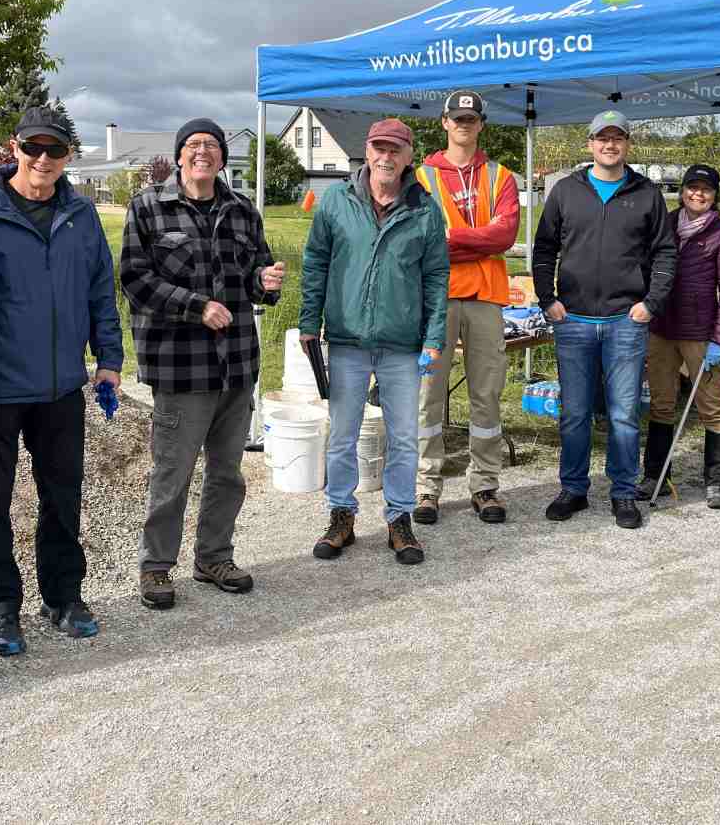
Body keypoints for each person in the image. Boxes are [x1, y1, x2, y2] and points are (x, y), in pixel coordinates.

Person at [0, 106, 123, 655]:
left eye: (55, 150)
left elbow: (102, 287)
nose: (43, 159)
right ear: (14, 148)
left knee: (62, 496)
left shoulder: (80, 215)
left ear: (68, 156)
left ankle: (63, 596)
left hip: (60, 386)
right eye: (33, 147)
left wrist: (109, 357)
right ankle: (2, 608)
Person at [121, 119, 284, 610]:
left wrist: (266, 281)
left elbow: (256, 272)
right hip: (179, 366)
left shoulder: (242, 211)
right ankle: (155, 568)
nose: (203, 152)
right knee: (172, 473)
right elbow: (133, 278)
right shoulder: (149, 207)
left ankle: (214, 556)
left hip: (236, 362)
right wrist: (195, 306)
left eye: (211, 145)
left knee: (228, 473)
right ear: (179, 156)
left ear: (221, 158)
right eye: (193, 145)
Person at [301, 118, 449, 565]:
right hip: (346, 339)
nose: (385, 157)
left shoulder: (425, 210)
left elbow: (437, 277)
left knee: (403, 437)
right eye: (378, 148)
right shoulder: (336, 202)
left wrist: (434, 335)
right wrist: (310, 322)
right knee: (343, 436)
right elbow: (315, 264)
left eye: (395, 149)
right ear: (367, 151)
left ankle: (399, 519)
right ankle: (341, 514)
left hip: (403, 344)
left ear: (408, 157)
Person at [531, 109, 676, 529]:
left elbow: (666, 252)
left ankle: (623, 492)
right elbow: (544, 249)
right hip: (572, 318)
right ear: (590, 143)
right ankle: (573, 488)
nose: (610, 145)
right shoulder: (565, 191)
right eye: (602, 138)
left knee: (624, 414)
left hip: (625, 321)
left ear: (627, 144)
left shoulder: (646, 193)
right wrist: (547, 298)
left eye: (618, 138)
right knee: (574, 412)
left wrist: (651, 302)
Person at [413, 89, 521, 525]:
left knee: (487, 396)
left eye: (471, 119)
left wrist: (450, 240)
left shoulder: (501, 176)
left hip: (486, 298)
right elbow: (419, 239)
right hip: (434, 298)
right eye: (457, 118)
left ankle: (485, 486)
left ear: (481, 125)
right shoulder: (420, 176)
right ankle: (425, 489)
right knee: (426, 396)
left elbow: (505, 236)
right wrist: (475, 240)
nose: (464, 125)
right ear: (444, 123)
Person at [642, 164, 720, 509]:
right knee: (661, 404)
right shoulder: (665, 224)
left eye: (706, 190)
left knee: (712, 407)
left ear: (715, 196)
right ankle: (655, 474)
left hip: (701, 333)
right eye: (692, 188)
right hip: (661, 329)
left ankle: (717, 480)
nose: (697, 195)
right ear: (682, 190)